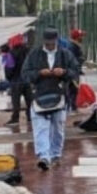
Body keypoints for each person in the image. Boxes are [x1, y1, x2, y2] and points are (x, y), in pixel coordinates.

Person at [19, 27, 77, 172]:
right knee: (40, 127)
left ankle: (56, 154)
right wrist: (39, 73)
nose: (50, 45)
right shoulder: (34, 54)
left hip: (59, 95)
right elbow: (25, 74)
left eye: (52, 42)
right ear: (44, 41)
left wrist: (63, 72)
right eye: (48, 42)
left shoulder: (65, 54)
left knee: (58, 126)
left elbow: (75, 71)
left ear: (56, 41)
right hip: (40, 95)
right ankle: (43, 156)